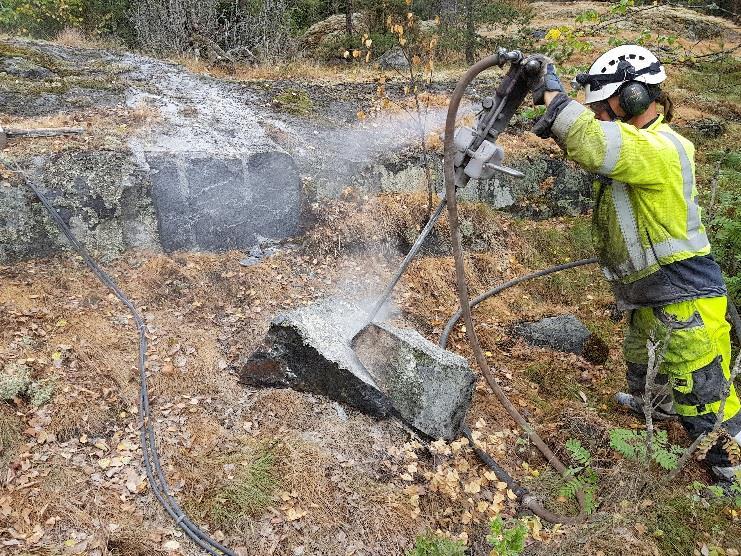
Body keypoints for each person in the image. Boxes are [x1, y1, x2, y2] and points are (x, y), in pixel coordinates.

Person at [528, 45, 741, 485]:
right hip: (651, 290)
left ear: (633, 98)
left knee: (702, 387)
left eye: (605, 108)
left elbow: (589, 141)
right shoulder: (641, 147)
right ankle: (660, 408)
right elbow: (597, 143)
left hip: (683, 291)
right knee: (644, 362)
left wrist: (551, 91)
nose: (601, 118)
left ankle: (731, 473)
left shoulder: (661, 149)